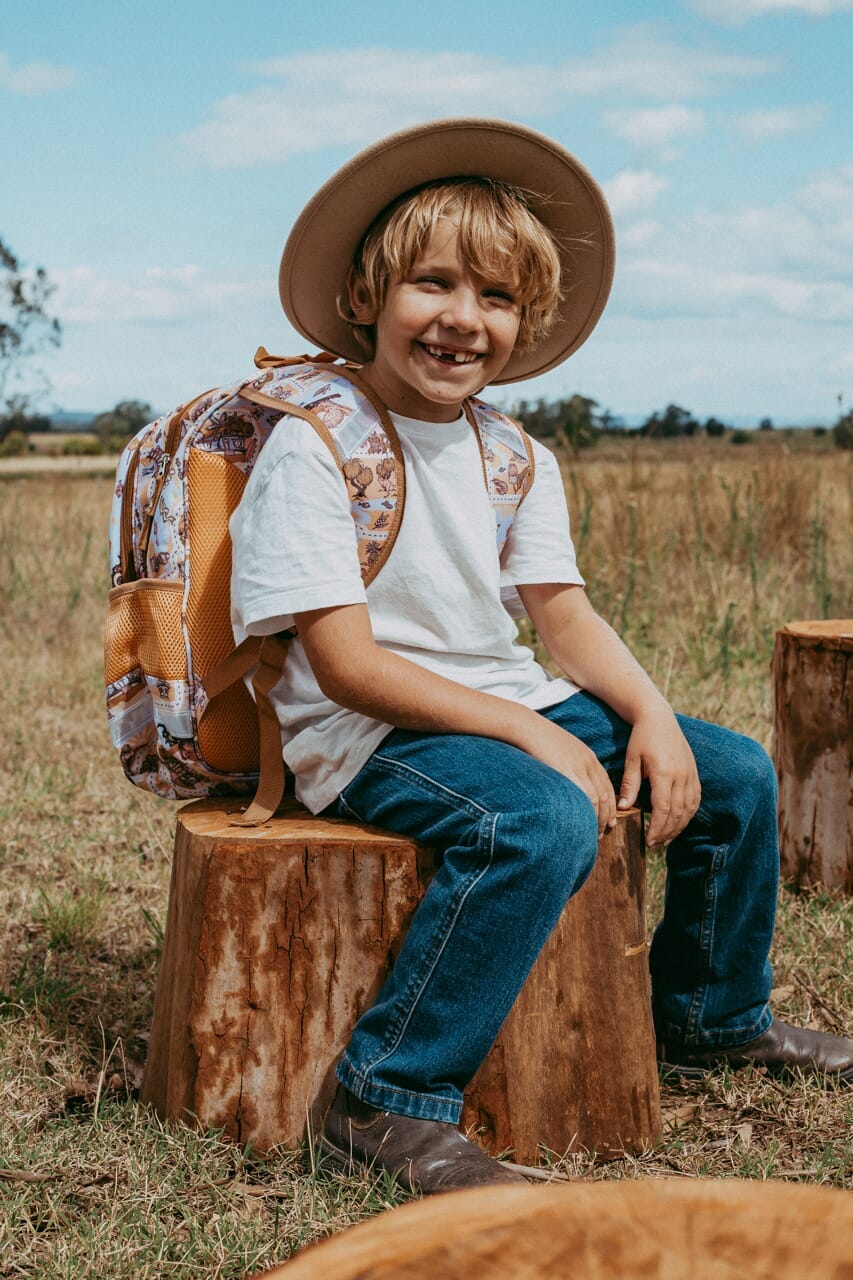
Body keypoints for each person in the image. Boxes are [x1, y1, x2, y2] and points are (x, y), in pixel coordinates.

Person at [229, 118, 853, 1195]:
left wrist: (650, 711)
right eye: (433, 283)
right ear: (369, 291)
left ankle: (711, 1014)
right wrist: (524, 728)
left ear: (529, 321)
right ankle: (386, 1093)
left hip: (502, 698)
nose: (462, 320)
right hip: (370, 728)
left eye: (498, 298)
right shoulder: (318, 439)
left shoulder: (511, 451)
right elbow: (342, 663)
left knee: (736, 773)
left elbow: (559, 618)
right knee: (537, 815)